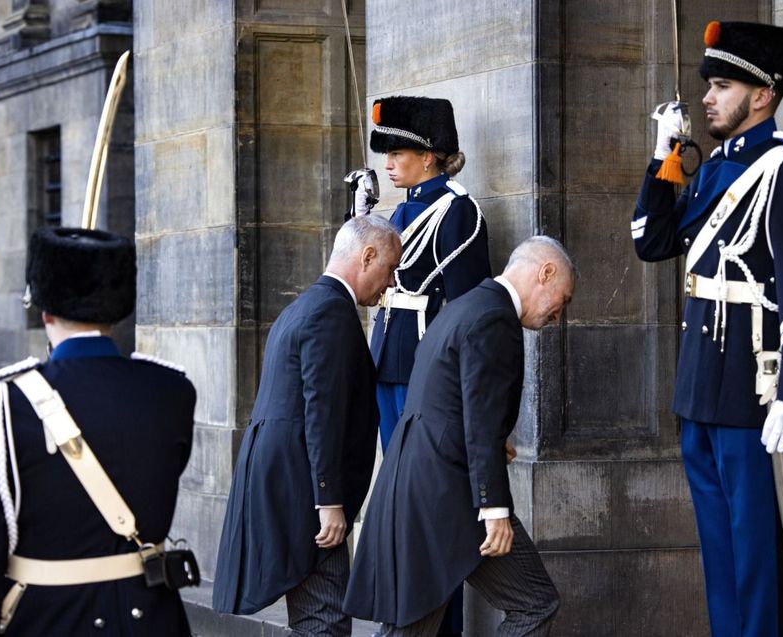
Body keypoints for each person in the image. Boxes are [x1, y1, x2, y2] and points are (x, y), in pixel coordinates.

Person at [631, 21, 783, 637]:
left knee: (758, 566)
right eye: (710, 87)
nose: (708, 99)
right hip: (702, 393)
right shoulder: (716, 167)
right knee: (723, 566)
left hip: (756, 401)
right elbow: (652, 240)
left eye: (721, 86)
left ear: (763, 94)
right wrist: (664, 158)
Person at [0, 227, 197, 636]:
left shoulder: (6, 401)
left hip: (49, 621)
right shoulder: (172, 390)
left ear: (45, 310)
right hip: (153, 620)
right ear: (118, 311)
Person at [344, 236, 574, 637]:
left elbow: (452, 397)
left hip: (422, 487)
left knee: (417, 624)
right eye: (564, 298)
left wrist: (483, 437)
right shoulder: (494, 317)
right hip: (449, 497)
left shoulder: (466, 307)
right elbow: (480, 419)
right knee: (534, 604)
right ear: (546, 273)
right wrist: (494, 509)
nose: (559, 315)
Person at [212, 215, 401, 636]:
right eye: (389, 269)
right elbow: (323, 413)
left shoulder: (306, 306)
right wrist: (328, 501)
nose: (390, 283)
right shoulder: (330, 313)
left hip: (290, 487)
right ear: (367, 256)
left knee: (319, 620)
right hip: (307, 494)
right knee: (325, 622)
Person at [364, 95, 492, 636]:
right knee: (399, 506)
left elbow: (468, 317)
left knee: (432, 512)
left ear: (430, 154)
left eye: (398, 151)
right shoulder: (400, 211)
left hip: (425, 377)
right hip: (390, 369)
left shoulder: (457, 210)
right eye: (387, 152)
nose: (388, 162)